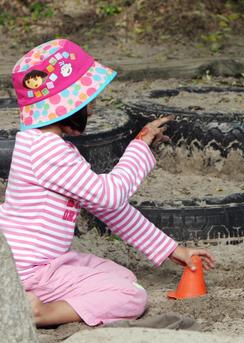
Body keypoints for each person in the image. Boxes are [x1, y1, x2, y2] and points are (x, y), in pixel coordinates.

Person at [0, 39, 215, 327]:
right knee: (131, 295)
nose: (92, 107)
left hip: (30, 263)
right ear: (70, 101)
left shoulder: (43, 145)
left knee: (122, 276)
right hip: (30, 270)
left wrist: (172, 250)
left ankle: (38, 300)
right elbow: (110, 197)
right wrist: (139, 146)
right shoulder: (48, 152)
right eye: (89, 99)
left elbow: (111, 211)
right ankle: (39, 312)